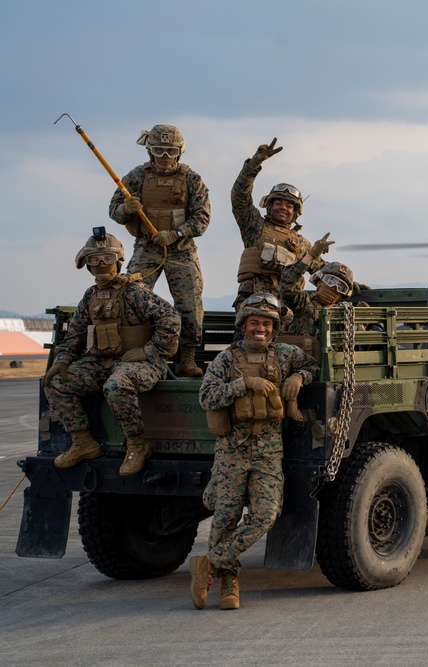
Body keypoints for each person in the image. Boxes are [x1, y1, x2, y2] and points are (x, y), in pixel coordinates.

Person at [190, 293, 320, 611]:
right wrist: (245, 383)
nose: (260, 328)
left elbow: (315, 365)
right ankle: (227, 583)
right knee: (225, 518)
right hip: (232, 451)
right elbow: (206, 398)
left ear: (273, 328)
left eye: (265, 323)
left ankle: (211, 562)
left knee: (265, 516)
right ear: (243, 326)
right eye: (254, 323)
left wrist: (297, 377)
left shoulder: (286, 354)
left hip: (268, 450)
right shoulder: (226, 360)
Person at [42, 228, 181, 476]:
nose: (101, 264)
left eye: (107, 258)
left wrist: (150, 351)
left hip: (143, 364)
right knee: (55, 383)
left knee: (115, 386)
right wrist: (63, 360)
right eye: (94, 259)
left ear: (118, 260)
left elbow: (170, 319)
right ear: (87, 264)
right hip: (102, 363)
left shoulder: (134, 292)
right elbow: (75, 334)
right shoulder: (90, 296)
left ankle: (137, 445)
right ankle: (83, 442)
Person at [109, 124, 210, 377]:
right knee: (131, 296)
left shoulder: (192, 179)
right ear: (149, 151)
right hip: (147, 247)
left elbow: (202, 219)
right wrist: (126, 210)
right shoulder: (136, 177)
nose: (165, 158)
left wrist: (175, 234)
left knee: (190, 305)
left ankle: (187, 358)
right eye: (158, 151)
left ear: (179, 152)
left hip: (182, 251)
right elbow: (114, 209)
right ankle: (137, 352)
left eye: (170, 151)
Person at [231, 138, 323, 312]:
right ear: (269, 206)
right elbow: (239, 196)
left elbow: (322, 271)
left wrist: (349, 282)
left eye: (289, 206)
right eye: (279, 203)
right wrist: (254, 164)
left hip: (287, 307)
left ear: (295, 212)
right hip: (253, 302)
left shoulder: (301, 243)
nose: (283, 208)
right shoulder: (254, 225)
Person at [278, 235, 359, 339]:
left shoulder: (343, 315)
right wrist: (310, 256)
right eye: (330, 281)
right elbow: (288, 286)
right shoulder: (302, 305)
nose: (334, 287)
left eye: (340, 287)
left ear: (342, 294)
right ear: (319, 282)